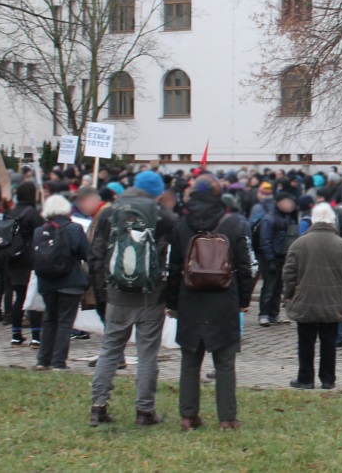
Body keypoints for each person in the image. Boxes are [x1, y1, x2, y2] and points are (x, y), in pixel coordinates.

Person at [89, 170, 176, 427]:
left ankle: (98, 407)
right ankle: (144, 411)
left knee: (109, 350)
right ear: (159, 192)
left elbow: (95, 256)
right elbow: (175, 259)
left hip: (116, 294)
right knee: (147, 353)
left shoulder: (108, 213)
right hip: (151, 296)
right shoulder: (165, 217)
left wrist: (102, 293)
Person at [167, 175, 254, 431]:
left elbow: (173, 269)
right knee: (225, 363)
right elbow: (245, 267)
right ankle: (227, 418)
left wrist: (173, 303)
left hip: (190, 300)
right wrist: (243, 301)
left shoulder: (181, 225)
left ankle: (188, 416)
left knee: (189, 361)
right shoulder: (233, 224)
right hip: (224, 300)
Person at [283, 203, 342, 390]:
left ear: (313, 220)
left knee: (305, 342)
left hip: (305, 301)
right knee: (329, 342)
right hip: (333, 301)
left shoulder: (299, 244)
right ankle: (328, 379)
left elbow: (289, 274)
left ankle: (305, 379)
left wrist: (289, 295)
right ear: (332, 222)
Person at [32, 194, 91, 371]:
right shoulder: (75, 228)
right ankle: (59, 362)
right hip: (70, 282)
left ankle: (43, 360)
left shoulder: (39, 231)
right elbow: (86, 253)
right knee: (65, 322)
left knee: (49, 320)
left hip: (47, 282)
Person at [7, 181, 44, 347]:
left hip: (13, 259)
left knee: (19, 296)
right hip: (30, 259)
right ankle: (36, 335)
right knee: (32, 297)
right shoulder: (34, 214)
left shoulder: (10, 212)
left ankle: (16, 334)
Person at [256, 192, 299, 326]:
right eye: (287, 202)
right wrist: (270, 259)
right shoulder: (269, 219)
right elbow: (265, 240)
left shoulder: (288, 218)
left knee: (278, 287)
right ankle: (264, 314)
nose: (289, 206)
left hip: (283, 257)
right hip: (271, 258)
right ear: (279, 203)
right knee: (269, 286)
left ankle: (274, 314)